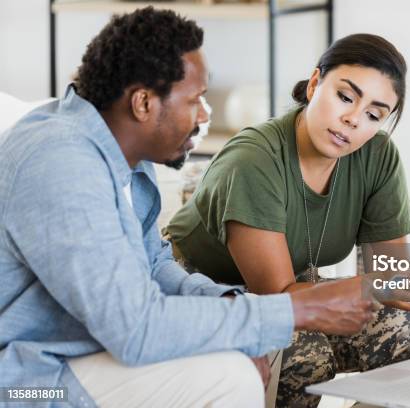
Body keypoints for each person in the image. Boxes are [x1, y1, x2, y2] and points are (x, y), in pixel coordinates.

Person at [0, 8, 377, 408]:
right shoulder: (62, 164)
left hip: (76, 352)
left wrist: (235, 308)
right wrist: (291, 311)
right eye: (195, 99)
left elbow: (154, 266)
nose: (202, 116)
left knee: (239, 345)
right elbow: (136, 329)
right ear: (144, 103)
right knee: (226, 376)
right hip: (26, 382)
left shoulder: (119, 154)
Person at [165, 33, 410, 407]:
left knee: (408, 331)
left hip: (293, 289)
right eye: (345, 96)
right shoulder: (254, 162)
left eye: (374, 114)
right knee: (302, 352)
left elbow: (392, 278)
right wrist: (373, 285)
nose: (353, 120)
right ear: (314, 84)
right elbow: (278, 299)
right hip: (203, 296)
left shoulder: (377, 157)